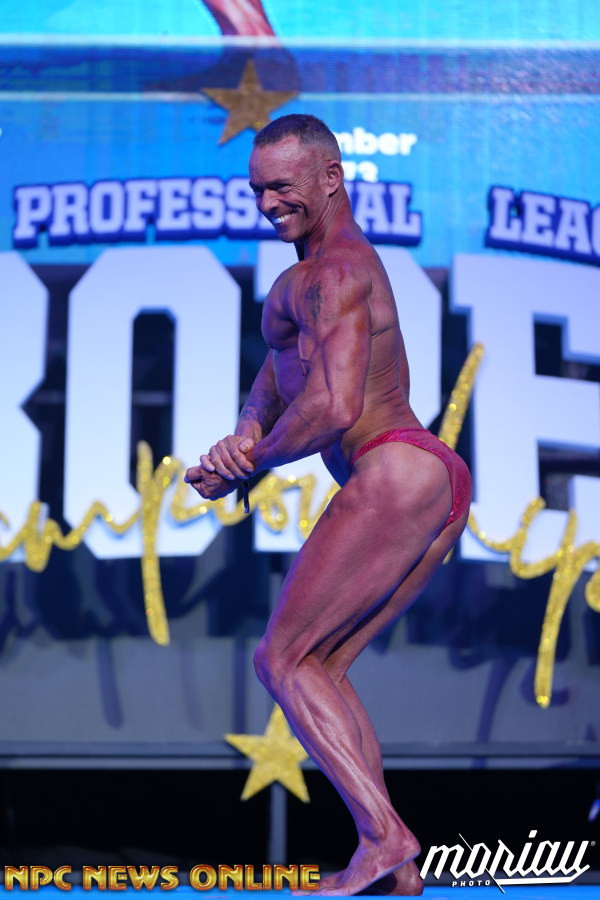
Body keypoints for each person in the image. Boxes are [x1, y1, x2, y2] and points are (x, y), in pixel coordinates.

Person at [185, 114, 471, 896]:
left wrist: (249, 465)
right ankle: (397, 869)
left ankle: (384, 837)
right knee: (324, 666)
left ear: (331, 178)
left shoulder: (339, 270)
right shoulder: (304, 279)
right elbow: (281, 372)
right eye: (256, 189)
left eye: (283, 186)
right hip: (426, 477)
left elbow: (336, 405)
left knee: (279, 658)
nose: (267, 203)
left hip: (395, 467)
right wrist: (245, 433)